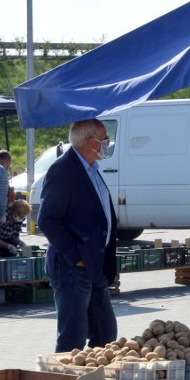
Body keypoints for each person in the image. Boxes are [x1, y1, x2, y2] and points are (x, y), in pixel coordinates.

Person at [37, 119, 119, 353]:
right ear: (91, 142)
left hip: (93, 265)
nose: (107, 144)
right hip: (72, 267)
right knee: (72, 338)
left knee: (105, 333)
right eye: (105, 140)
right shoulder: (64, 170)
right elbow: (47, 220)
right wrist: (75, 256)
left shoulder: (91, 168)